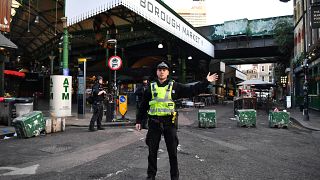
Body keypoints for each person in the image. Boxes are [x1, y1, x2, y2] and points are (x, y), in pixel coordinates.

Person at [135, 61, 218, 180]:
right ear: (157, 72)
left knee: (172, 153)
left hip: (170, 124)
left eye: (164, 69)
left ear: (168, 72)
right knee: (152, 153)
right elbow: (143, 105)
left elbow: (191, 90)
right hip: (154, 123)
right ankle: (151, 176)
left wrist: (206, 82)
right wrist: (138, 121)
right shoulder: (150, 87)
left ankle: (174, 177)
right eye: (159, 69)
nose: (162, 71)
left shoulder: (175, 86)